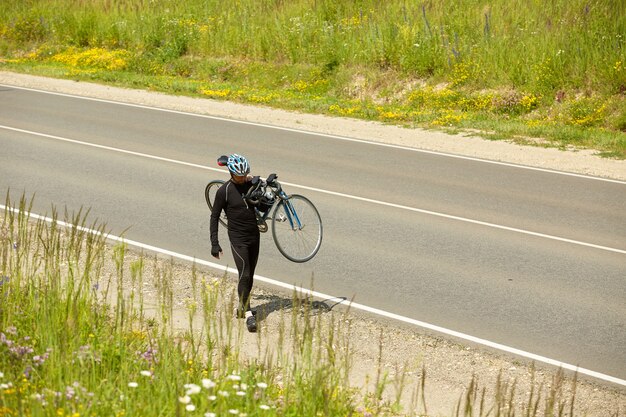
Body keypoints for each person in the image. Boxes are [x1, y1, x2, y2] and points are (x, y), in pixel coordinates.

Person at [209, 153, 260, 333]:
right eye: (238, 175)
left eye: (243, 174)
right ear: (231, 173)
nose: (241, 178)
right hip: (238, 239)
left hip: (254, 236)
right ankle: (248, 315)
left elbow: (260, 205)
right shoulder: (224, 191)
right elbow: (214, 217)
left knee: (250, 275)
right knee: (244, 274)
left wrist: (263, 187)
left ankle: (241, 307)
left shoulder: (250, 185)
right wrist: (214, 243)